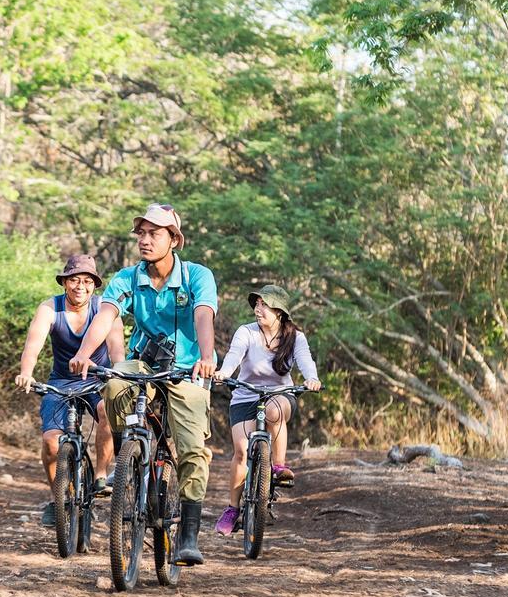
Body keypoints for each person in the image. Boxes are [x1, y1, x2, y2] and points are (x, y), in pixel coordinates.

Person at [68, 204, 218, 566]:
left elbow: (203, 314)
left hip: (186, 369)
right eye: (142, 234)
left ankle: (187, 536)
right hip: (145, 364)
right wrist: (86, 352)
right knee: (116, 382)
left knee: (192, 449)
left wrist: (208, 356)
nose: (145, 240)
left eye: (155, 234)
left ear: (174, 240)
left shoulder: (198, 275)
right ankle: (131, 456)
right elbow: (106, 316)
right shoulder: (127, 277)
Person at [16, 254, 125, 527]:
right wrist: (26, 373)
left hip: (97, 380)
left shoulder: (105, 309)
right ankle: (59, 499)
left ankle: (100, 475)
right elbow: (34, 344)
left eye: (88, 281)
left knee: (106, 410)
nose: (81, 286)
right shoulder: (50, 308)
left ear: (95, 285)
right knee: (51, 443)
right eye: (74, 279)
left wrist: (119, 375)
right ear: (64, 282)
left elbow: (117, 352)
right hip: (61, 382)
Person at [213, 284, 321, 537]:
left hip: (278, 395)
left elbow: (306, 361)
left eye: (265, 305)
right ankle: (232, 508)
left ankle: (279, 466)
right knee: (241, 451)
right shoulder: (246, 332)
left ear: (279, 312)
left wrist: (311, 378)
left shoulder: (295, 337)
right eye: (257, 304)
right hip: (245, 395)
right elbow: (233, 356)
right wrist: (224, 373)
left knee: (275, 410)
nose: (258, 309)